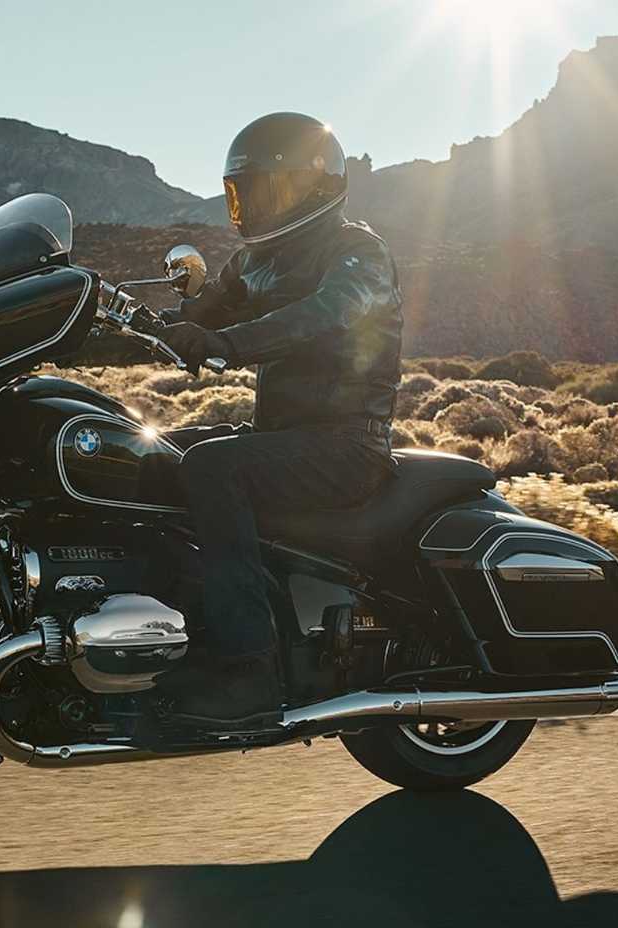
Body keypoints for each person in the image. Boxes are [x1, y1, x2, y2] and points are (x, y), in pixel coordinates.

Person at [156, 112, 404, 724]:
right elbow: (205, 315)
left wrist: (228, 345)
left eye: (270, 190)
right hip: (286, 438)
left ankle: (250, 670)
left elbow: (326, 314)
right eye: (244, 194)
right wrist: (102, 322)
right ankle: (169, 638)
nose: (256, 207)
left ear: (314, 187)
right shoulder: (251, 263)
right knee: (148, 454)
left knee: (214, 469)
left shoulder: (359, 252)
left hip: (347, 445)